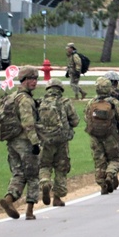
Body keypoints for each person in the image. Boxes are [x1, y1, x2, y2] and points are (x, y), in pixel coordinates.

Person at [0, 66, 41, 220]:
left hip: (12, 142)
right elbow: (28, 123)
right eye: (30, 79)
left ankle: (9, 199)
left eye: (35, 79)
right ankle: (29, 211)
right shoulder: (25, 100)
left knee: (18, 173)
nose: (34, 82)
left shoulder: (12, 97)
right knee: (33, 176)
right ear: (23, 80)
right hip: (25, 142)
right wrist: (35, 143)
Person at [36, 78, 80, 206]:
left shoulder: (40, 103)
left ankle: (45, 182)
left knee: (44, 165)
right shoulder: (65, 102)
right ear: (60, 89)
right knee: (61, 168)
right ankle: (57, 197)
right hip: (61, 140)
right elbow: (75, 121)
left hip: (44, 141)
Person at [85, 77, 119, 195]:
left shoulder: (91, 102)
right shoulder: (114, 102)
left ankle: (102, 184)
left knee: (99, 161)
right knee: (115, 158)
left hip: (94, 137)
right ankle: (110, 174)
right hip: (110, 136)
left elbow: (86, 117)